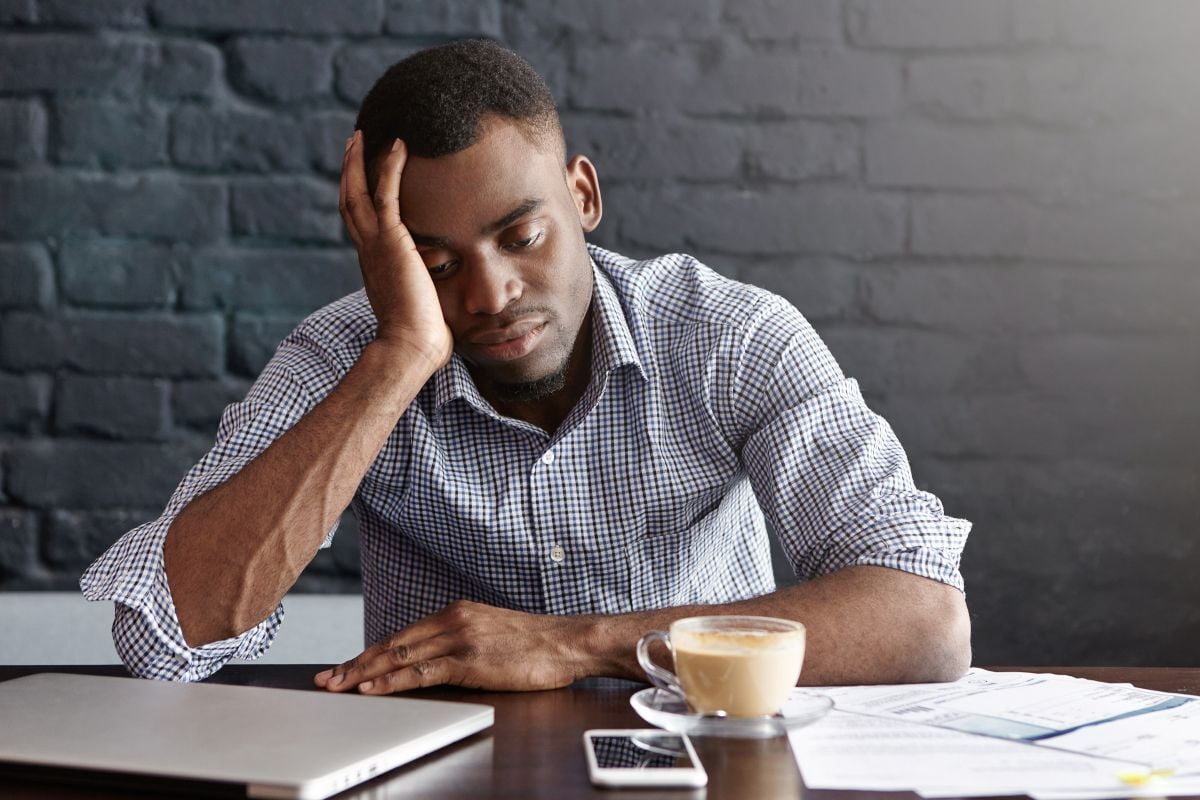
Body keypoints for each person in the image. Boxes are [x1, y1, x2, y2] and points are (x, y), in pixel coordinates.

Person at [82, 39, 971, 693]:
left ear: (582, 196)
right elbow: (164, 639)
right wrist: (400, 356)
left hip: (711, 765)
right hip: (434, 770)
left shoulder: (727, 337)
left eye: (521, 235)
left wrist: (578, 643)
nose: (492, 293)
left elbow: (926, 624)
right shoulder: (348, 356)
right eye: (437, 263)